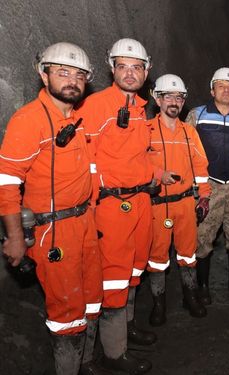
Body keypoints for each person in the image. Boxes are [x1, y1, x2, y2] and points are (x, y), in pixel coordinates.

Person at [0, 42, 103, 374]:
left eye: (78, 75)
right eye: (62, 72)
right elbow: (5, 183)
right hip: (54, 231)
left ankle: (86, 362)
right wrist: (15, 237)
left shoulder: (77, 119)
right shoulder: (29, 120)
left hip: (83, 222)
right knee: (67, 313)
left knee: (90, 298)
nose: (71, 80)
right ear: (43, 75)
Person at [78, 38, 158, 373]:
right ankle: (113, 352)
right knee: (113, 278)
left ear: (146, 71)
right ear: (112, 68)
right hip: (113, 204)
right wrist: (94, 202)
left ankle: (126, 328)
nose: (129, 73)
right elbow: (85, 158)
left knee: (135, 270)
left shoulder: (141, 109)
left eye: (136, 67)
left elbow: (138, 156)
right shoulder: (96, 105)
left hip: (140, 200)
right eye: (122, 66)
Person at [185, 67, 229, 302]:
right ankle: (203, 286)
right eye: (221, 86)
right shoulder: (197, 115)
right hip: (209, 185)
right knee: (203, 236)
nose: (226, 90)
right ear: (212, 89)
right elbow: (185, 147)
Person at [146, 74, 211, 326]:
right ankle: (158, 303)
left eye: (179, 97)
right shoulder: (146, 131)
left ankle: (190, 296)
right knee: (156, 257)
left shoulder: (189, 132)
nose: (174, 101)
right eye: (168, 96)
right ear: (158, 99)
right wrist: (156, 175)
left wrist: (204, 197)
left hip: (185, 202)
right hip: (157, 205)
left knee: (188, 254)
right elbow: (136, 164)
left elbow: (201, 166)